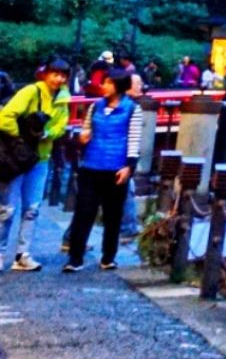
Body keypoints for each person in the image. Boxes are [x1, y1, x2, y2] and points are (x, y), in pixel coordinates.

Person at [63, 71, 144, 272]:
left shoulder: (132, 109)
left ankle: (108, 257)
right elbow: (85, 129)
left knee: (112, 215)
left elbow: (134, 140)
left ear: (119, 86)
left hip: (116, 167)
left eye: (108, 83)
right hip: (91, 165)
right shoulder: (95, 106)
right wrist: (83, 137)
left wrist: (129, 166)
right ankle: (75, 258)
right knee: (84, 212)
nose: (104, 86)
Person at [0, 62, 72, 273]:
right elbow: (5, 117)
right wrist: (21, 137)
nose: (58, 79)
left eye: (63, 76)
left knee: (32, 208)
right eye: (55, 74)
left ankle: (23, 255)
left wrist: (47, 134)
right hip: (16, 158)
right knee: (7, 209)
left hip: (40, 158)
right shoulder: (31, 92)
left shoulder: (63, 99)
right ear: (45, 74)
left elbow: (61, 126)